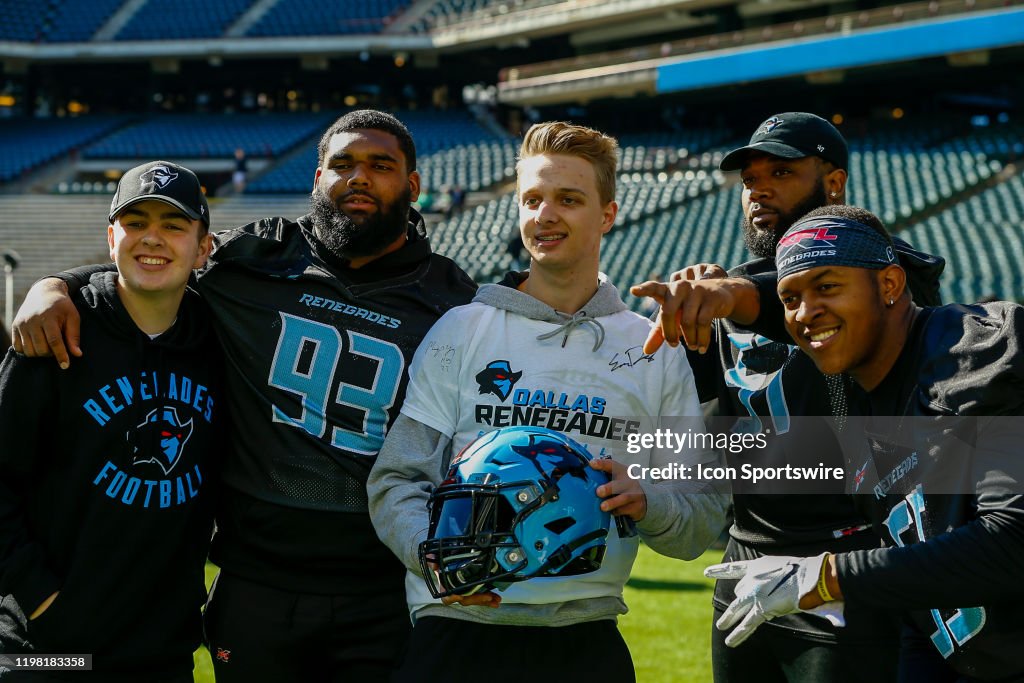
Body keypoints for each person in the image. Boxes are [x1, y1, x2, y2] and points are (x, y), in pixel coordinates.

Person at [10, 111, 477, 683]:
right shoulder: (254, 258)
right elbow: (155, 258)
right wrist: (56, 284)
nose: (360, 178)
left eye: (381, 166)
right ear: (316, 178)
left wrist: (628, 460)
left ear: (413, 186)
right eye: (343, 164)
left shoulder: (457, 302)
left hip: (380, 590)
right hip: (253, 586)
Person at [368, 121, 729, 682]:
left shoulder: (652, 348)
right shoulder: (463, 329)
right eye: (532, 199)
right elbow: (396, 480)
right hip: (456, 629)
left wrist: (646, 502)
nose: (545, 216)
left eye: (568, 199)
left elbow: (701, 519)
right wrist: (439, 565)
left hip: (583, 642)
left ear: (607, 215)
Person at [632, 113, 946, 682]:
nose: (759, 190)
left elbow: (780, 304)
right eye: (750, 179)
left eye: (781, 171)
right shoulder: (721, 294)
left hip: (845, 563)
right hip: (743, 561)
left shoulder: (883, 274)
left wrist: (734, 294)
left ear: (833, 182)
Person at [707, 204, 1024, 682]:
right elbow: (925, 606)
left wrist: (829, 577)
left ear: (890, 285)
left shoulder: (970, 350)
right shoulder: (853, 412)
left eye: (827, 287)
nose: (805, 313)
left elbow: (1015, 539)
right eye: (790, 298)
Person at [0, 161, 221, 682]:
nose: (152, 238)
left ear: (203, 246)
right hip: (43, 649)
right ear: (110, 236)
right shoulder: (53, 335)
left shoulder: (221, 344)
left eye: (173, 225)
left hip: (160, 654)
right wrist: (41, 597)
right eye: (136, 221)